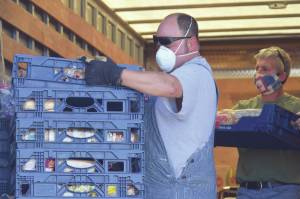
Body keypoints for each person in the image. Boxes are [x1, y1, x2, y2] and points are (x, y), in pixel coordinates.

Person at [85, 13, 218, 199]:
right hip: (161, 189)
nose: (161, 49)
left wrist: (117, 74)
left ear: (191, 43)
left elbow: (171, 86)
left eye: (167, 41)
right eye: (157, 42)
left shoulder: (197, 73)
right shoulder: (173, 76)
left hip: (182, 191)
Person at [232, 46, 300, 199]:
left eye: (265, 69)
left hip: (285, 192)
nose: (258, 74)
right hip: (247, 191)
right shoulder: (242, 108)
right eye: (257, 69)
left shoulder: (297, 108)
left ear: (281, 76)